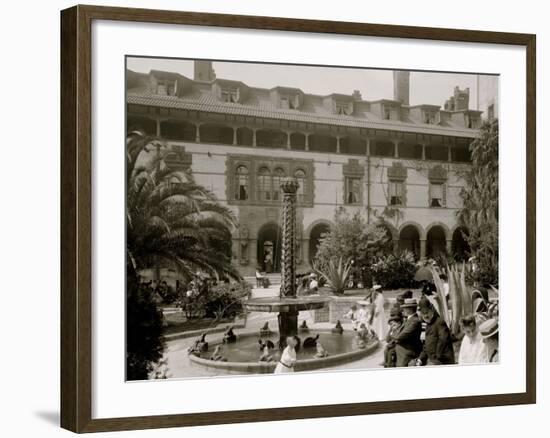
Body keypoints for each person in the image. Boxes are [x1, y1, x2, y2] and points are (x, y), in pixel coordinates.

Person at [416, 296, 455, 366]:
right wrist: (420, 359)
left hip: (443, 361)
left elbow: (443, 340)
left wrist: (436, 358)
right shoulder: (428, 324)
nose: (425, 315)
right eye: (423, 313)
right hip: (434, 360)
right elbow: (427, 345)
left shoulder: (439, 322)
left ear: (432, 310)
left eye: (427, 312)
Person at [394, 298, 423, 367]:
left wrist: (394, 335)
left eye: (405, 308)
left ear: (409, 309)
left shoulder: (414, 321)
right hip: (403, 348)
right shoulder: (408, 319)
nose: (403, 310)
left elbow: (399, 337)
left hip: (408, 350)